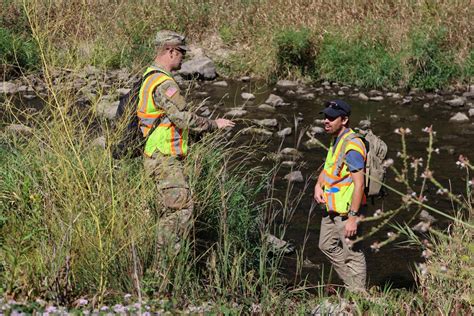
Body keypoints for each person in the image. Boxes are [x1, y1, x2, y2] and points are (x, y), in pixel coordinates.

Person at [137, 30, 235, 251]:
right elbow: (182, 118)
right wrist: (212, 124)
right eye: (182, 52)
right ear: (170, 51)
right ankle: (165, 264)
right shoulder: (163, 82)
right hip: (164, 158)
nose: (183, 57)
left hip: (154, 155)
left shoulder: (148, 75)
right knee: (181, 209)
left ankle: (158, 264)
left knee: (165, 210)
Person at [313, 100, 367, 292]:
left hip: (347, 211)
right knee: (326, 245)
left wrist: (353, 218)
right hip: (331, 206)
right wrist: (318, 185)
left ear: (344, 120)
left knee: (353, 252)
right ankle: (353, 287)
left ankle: (359, 296)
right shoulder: (336, 139)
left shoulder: (352, 147)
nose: (326, 121)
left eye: (331, 118)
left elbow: (359, 184)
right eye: (325, 117)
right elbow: (329, 168)